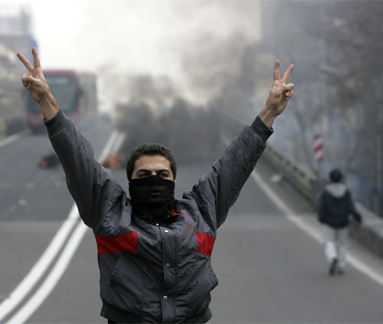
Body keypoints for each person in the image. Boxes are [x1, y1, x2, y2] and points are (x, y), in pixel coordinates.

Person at [17, 48, 294, 324]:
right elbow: (78, 160)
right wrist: (48, 102)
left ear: (174, 179)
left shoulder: (200, 212)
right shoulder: (109, 213)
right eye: (144, 174)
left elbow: (234, 165)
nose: (154, 179)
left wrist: (269, 112)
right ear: (130, 180)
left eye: (162, 173)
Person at [318, 168, 362, 275]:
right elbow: (351, 207)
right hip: (343, 222)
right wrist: (358, 218)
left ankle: (332, 257)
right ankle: (341, 265)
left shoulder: (325, 192)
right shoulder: (346, 191)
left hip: (329, 222)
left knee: (328, 241)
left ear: (330, 178)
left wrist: (321, 218)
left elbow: (322, 208)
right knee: (342, 244)